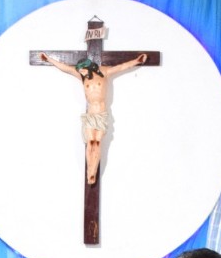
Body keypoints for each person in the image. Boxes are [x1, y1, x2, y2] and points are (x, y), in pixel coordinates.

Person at [39, 52, 147, 185]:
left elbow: (121, 67)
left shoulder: (104, 72)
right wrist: (49, 59)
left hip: (101, 114)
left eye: (83, 70)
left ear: (89, 67)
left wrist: (137, 61)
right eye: (80, 72)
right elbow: (65, 67)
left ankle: (93, 171)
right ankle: (90, 172)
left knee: (97, 143)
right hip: (90, 114)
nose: (81, 73)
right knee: (90, 143)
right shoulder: (82, 75)